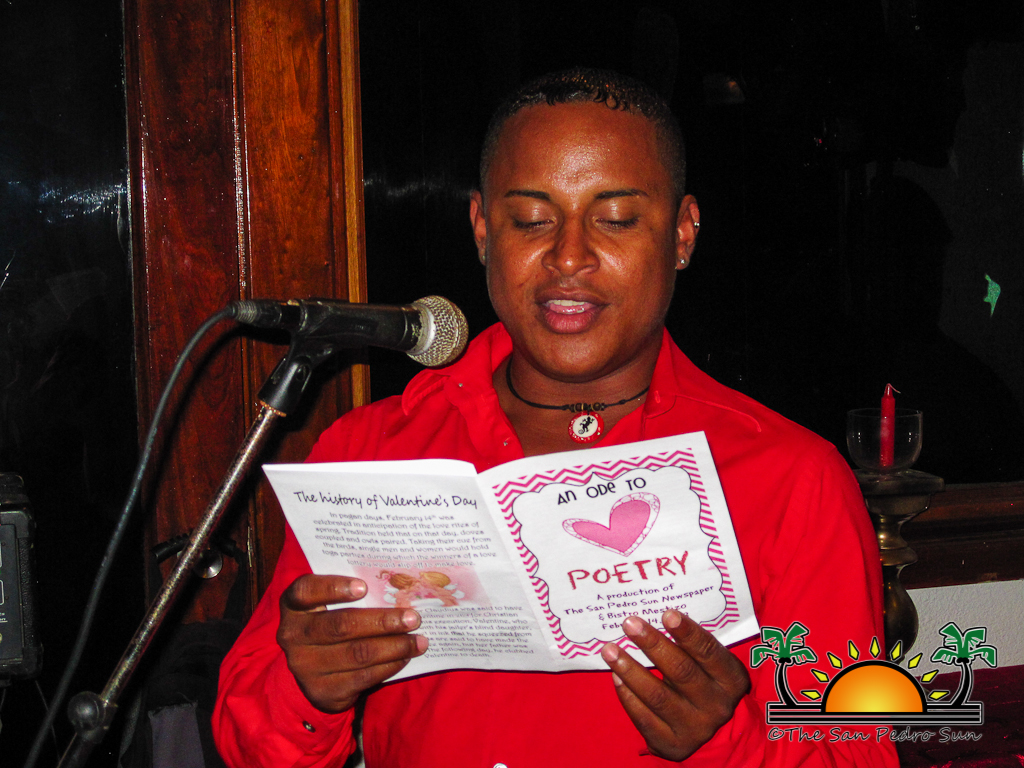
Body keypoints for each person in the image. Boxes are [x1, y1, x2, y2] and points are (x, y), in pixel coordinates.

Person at [213, 69, 898, 767]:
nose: (569, 257)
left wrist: (728, 745)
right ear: (483, 229)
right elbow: (252, 747)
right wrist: (308, 691)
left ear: (682, 233)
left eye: (616, 219)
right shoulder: (373, 452)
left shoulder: (793, 479)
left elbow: (858, 754)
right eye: (531, 221)